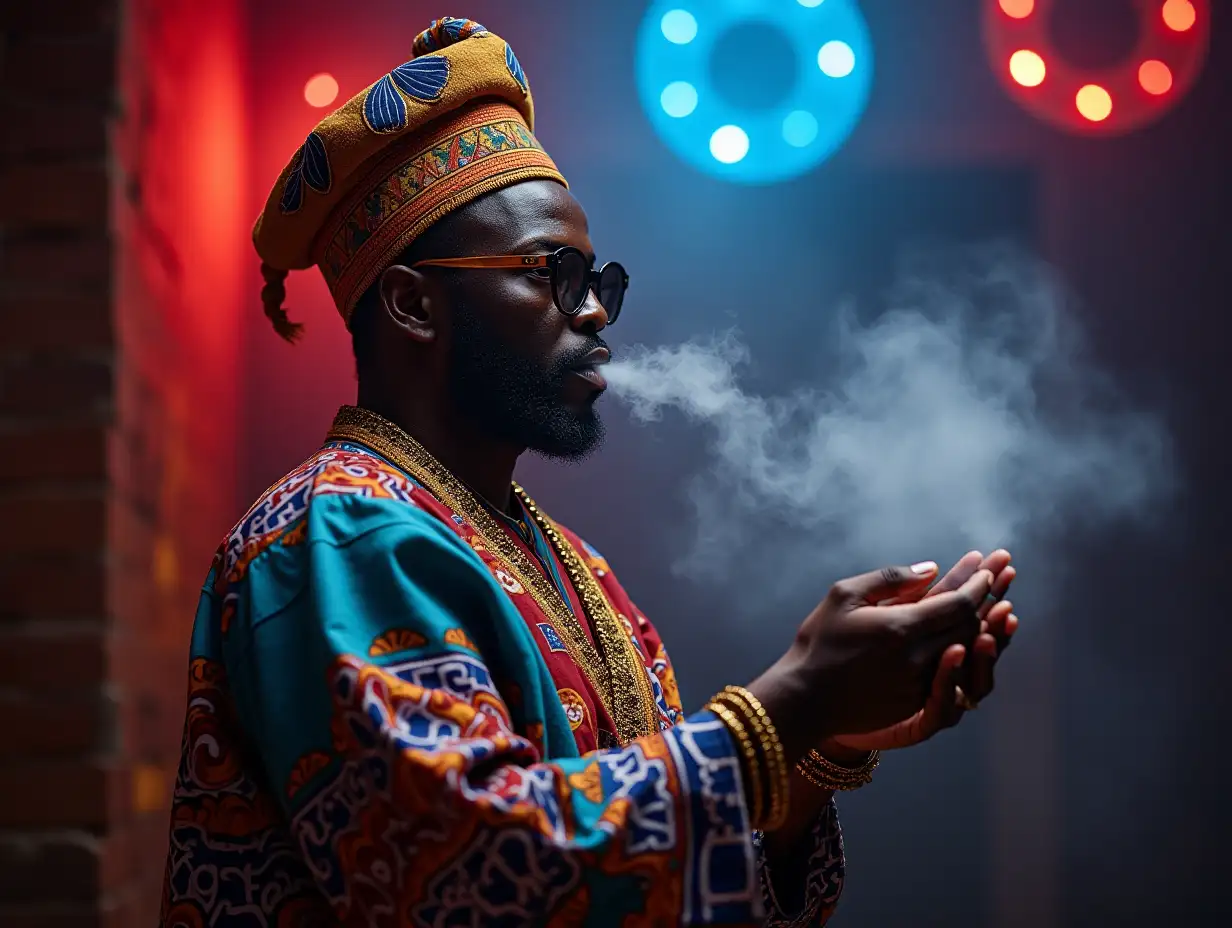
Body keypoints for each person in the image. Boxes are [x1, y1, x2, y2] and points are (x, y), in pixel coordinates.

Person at [160, 17, 1019, 927]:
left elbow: (666, 891)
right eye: (550, 275)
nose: (595, 316)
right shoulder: (334, 533)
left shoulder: (579, 573)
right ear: (414, 304)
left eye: (597, 281)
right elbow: (470, 880)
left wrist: (818, 749)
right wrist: (792, 701)